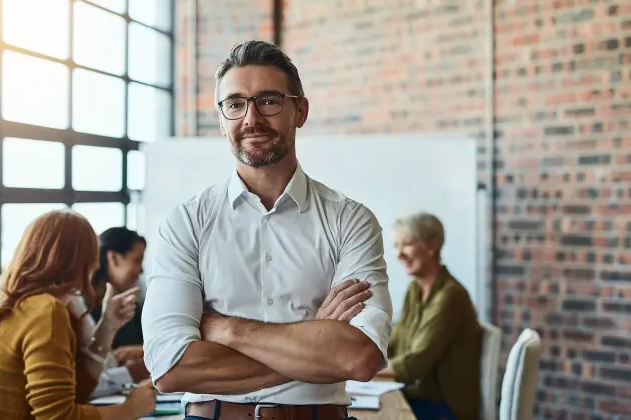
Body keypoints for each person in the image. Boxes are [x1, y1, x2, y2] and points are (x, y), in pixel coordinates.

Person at [141, 40, 393, 420]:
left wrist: (227, 330)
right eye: (235, 104)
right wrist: (315, 337)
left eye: (269, 101)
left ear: (300, 111)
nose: (251, 118)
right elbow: (170, 368)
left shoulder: (350, 220)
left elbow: (358, 357)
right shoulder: (187, 222)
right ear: (223, 118)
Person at [0, 210, 156, 420]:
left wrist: (107, 326)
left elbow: (75, 394)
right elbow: (57, 417)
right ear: (80, 260)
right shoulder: (47, 311)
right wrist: (129, 409)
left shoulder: (22, 302)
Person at [380, 212, 481, 420]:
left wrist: (359, 370)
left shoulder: (451, 296)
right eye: (396, 245)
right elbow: (395, 343)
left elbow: (415, 364)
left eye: (407, 243)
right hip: (418, 397)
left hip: (444, 409)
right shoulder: (414, 290)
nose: (399, 254)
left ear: (432, 244)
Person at [89, 227, 147, 366]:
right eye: (137, 260)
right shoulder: (84, 308)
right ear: (113, 258)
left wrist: (142, 351)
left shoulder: (133, 306)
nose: (141, 270)